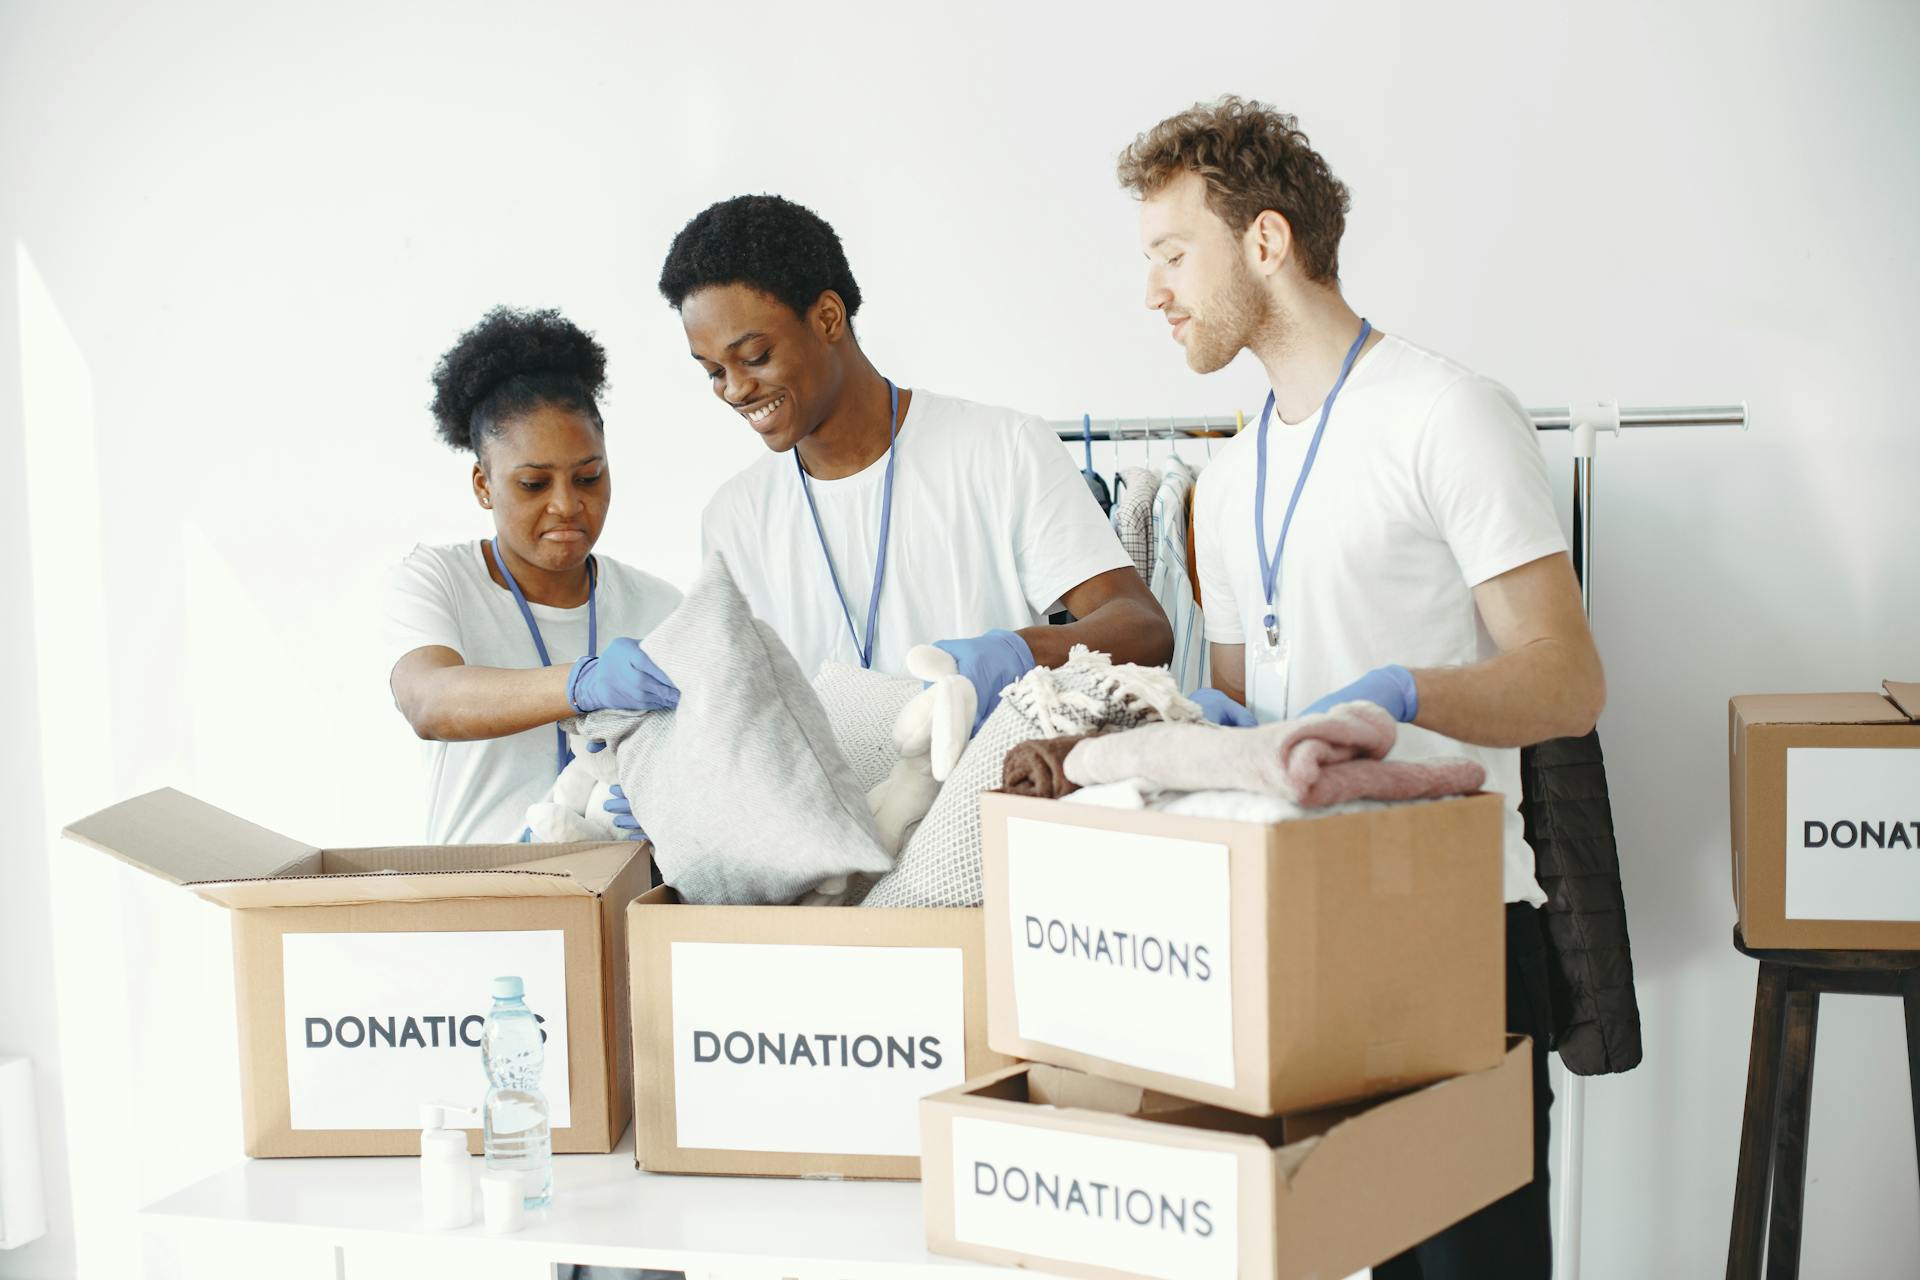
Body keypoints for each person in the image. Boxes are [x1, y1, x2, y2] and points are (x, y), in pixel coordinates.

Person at [1119, 98, 1606, 1277]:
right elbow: (1248, 721)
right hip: (1295, 929)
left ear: (1268, 242)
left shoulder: (1447, 413)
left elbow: (1567, 681)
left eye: (1173, 253)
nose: (1154, 291)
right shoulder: (1224, 485)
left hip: (1450, 926)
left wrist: (1400, 693)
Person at [648, 194, 1171, 730]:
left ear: (828, 317)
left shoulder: (1002, 449)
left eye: (755, 357)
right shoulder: (733, 517)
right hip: (823, 813)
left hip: (985, 801)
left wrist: (1019, 652)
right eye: (713, 370)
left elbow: (1144, 629)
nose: (735, 390)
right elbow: (738, 702)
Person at [386, 307, 682, 844]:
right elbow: (429, 702)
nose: (567, 505)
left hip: (616, 904)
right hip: (476, 905)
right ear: (483, 484)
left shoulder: (660, 606)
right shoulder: (439, 579)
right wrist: (583, 682)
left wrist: (674, 811)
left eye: (588, 477)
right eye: (533, 484)